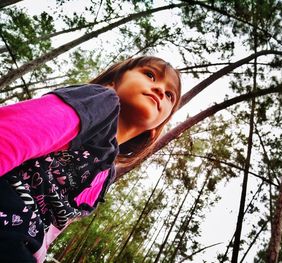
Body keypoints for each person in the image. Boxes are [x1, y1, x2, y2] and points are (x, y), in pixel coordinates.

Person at [0, 56, 182, 262]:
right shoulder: (98, 100)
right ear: (112, 82)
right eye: (150, 75)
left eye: (169, 95)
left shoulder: (105, 174)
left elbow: (54, 227)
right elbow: (15, 134)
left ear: (156, 128)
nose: (160, 90)